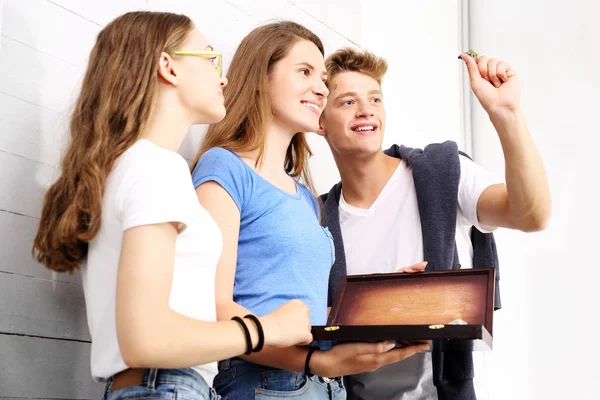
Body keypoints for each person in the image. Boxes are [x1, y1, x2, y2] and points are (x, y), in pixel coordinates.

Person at [32, 11, 313, 400]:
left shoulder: (133, 166)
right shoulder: (155, 167)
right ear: (169, 66)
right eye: (209, 57)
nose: (224, 77)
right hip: (163, 386)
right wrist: (270, 329)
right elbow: (145, 339)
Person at [192, 21, 428, 400]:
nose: (321, 87)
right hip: (266, 382)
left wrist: (385, 298)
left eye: (322, 77)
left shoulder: (304, 196)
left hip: (325, 387)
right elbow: (210, 306)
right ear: (259, 78)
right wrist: (310, 363)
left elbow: (307, 311)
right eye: (304, 72)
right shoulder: (224, 168)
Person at [316, 48, 551, 400]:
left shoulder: (441, 173)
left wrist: (507, 116)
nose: (366, 110)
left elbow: (531, 215)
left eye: (375, 99)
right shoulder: (318, 216)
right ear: (319, 122)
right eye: (348, 102)